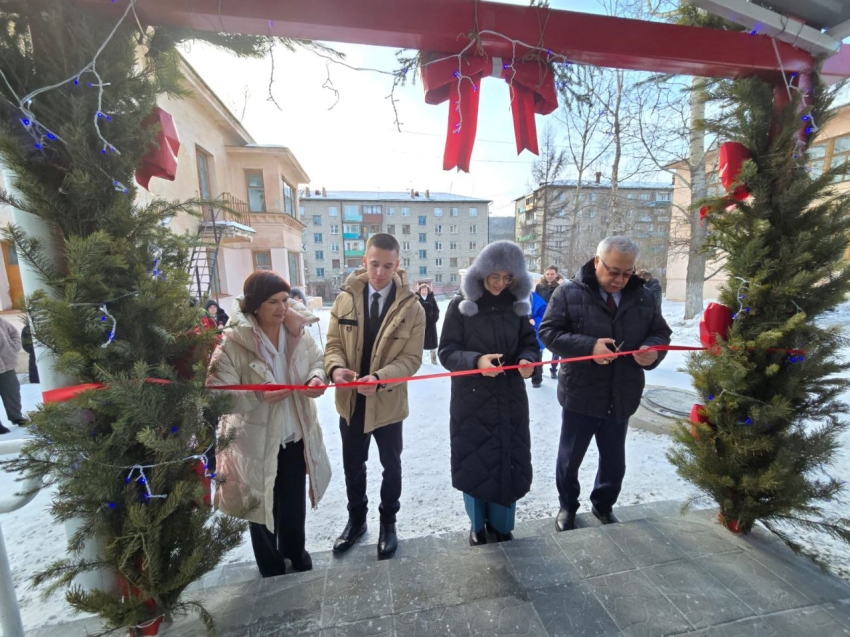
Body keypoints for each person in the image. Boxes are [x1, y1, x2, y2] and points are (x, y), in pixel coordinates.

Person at [539, 236, 672, 532]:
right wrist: (589, 347)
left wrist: (653, 351)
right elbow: (548, 332)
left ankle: (603, 505)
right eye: (613, 271)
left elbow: (661, 333)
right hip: (581, 392)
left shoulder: (644, 296)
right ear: (597, 261)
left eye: (627, 273)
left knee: (614, 461)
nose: (620, 280)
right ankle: (568, 506)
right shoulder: (568, 292)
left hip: (622, 391)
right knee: (570, 458)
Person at [207, 270, 332, 577]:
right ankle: (270, 563)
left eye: (285, 300)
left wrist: (317, 377)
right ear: (254, 306)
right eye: (273, 302)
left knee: (293, 502)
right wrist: (257, 395)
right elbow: (216, 393)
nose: (282, 308)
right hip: (256, 441)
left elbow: (318, 361)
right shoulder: (232, 342)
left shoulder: (297, 332)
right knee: (260, 504)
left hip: (294, 433)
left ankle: (295, 551)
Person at [324, 232, 426, 560]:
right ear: (364, 261)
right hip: (351, 401)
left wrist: (380, 379)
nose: (380, 272)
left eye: (387, 266)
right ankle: (356, 521)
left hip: (388, 402)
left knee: (390, 466)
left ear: (397, 265)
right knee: (353, 464)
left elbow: (410, 360)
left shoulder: (412, 308)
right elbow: (333, 345)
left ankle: (388, 523)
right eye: (374, 264)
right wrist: (336, 369)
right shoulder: (345, 299)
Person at [438, 241, 539, 546]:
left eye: (507, 277)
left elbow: (530, 343)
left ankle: (502, 524)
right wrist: (476, 362)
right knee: (475, 462)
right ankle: (477, 525)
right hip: (472, 401)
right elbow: (447, 353)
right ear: (480, 273)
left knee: (508, 458)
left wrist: (527, 361)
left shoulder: (517, 307)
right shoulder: (461, 307)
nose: (499, 283)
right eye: (494, 276)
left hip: (510, 399)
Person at [535, 265, 562, 380]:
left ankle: (554, 369)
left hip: (555, 318)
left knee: (555, 346)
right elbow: (535, 302)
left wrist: (562, 285)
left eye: (552, 274)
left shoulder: (561, 287)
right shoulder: (539, 287)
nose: (550, 276)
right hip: (541, 319)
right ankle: (538, 370)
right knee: (538, 345)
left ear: (556, 275)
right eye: (548, 274)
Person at [0, 317, 24, 435]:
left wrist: (13, 348)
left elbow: (13, 333)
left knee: (12, 391)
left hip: (7, 364)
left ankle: (16, 416)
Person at [417, 283, 440, 364]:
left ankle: (433, 360)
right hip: (420, 324)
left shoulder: (431, 299)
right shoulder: (416, 299)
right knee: (420, 343)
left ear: (428, 291)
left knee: (432, 343)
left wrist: (434, 318)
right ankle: (419, 361)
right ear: (419, 291)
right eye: (422, 290)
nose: (424, 291)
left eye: (425, 290)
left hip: (431, 324)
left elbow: (436, 310)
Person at [528, 290, 547, 388]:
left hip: (534, 333)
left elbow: (545, 314)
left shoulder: (535, 298)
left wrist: (535, 321)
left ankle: (536, 379)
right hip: (518, 333)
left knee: (537, 357)